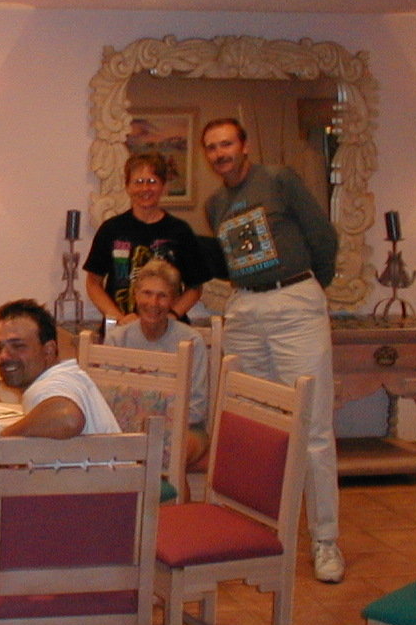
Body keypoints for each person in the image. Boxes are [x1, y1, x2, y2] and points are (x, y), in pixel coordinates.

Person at [201, 117, 344, 583]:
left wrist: (305, 288)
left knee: (313, 428)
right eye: (212, 148)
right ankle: (258, 531)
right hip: (245, 310)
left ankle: (325, 541)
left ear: (244, 146)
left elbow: (323, 238)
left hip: (294, 304)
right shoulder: (215, 204)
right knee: (254, 423)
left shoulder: (280, 180)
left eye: (227, 144)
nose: (220, 154)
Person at [0, 299, 120, 560]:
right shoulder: (71, 377)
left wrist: (4, 438)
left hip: (87, 535)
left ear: (49, 350)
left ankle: (9, 584)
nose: (4, 357)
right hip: (113, 526)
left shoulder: (48, 387)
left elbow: (67, 417)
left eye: (18, 346)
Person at [84, 152, 211, 326]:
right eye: (138, 182)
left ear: (164, 187)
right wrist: (119, 318)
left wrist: (171, 316)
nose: (145, 188)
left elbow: (195, 287)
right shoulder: (111, 229)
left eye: (152, 181)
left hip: (169, 331)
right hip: (122, 330)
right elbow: (93, 284)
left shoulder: (180, 231)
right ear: (127, 187)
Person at [106, 259, 210, 469]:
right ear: (135, 295)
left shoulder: (192, 341)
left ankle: (172, 490)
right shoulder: (117, 339)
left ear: (174, 300)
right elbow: (107, 398)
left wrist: (158, 429)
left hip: (183, 427)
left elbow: (197, 407)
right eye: (147, 293)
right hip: (127, 428)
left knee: (167, 455)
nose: (153, 303)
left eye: (162, 296)